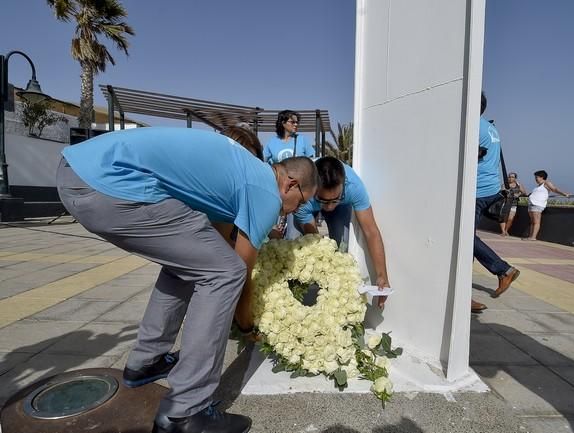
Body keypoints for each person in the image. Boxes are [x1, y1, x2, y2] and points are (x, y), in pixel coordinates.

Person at [56, 126, 317, 433]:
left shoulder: (245, 171)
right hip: (108, 183)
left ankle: (146, 361)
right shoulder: (266, 191)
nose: (296, 210)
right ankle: (185, 412)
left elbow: (215, 244)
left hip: (80, 172)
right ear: (291, 183)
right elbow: (241, 270)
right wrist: (247, 324)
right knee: (225, 273)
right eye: (301, 202)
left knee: (195, 262)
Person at [294, 156, 390, 309]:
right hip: (308, 205)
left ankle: (333, 301)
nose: (330, 207)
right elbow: (314, 240)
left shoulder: (354, 187)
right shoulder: (303, 193)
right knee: (304, 248)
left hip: (342, 205)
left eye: (334, 200)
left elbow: (371, 231)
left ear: (344, 186)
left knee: (340, 248)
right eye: (324, 201)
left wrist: (381, 274)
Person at [472, 92, 521, 314]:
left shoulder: (474, 127)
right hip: (490, 188)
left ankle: (502, 269)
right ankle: (464, 292)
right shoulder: (490, 127)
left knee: (464, 240)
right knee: (466, 241)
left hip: (477, 191)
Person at [264, 110, 316, 239]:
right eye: (292, 121)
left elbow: (312, 162)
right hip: (278, 191)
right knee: (273, 233)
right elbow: (264, 162)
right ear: (283, 123)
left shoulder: (302, 140)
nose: (296, 124)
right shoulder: (272, 143)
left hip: (296, 190)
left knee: (293, 234)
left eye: (297, 122)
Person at [525, 170, 570, 240]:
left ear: (542, 177)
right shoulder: (537, 186)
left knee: (536, 222)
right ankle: (530, 236)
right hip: (531, 204)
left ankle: (533, 237)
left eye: (537, 177)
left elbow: (554, 189)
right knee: (532, 222)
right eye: (535, 177)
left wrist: (564, 194)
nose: (535, 179)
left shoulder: (546, 183)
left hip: (537, 205)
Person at [499, 172, 527, 236]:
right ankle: (503, 231)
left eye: (512, 177)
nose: (510, 178)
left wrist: (519, 194)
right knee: (503, 217)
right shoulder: (505, 185)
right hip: (505, 203)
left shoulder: (519, 185)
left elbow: (524, 193)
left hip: (514, 204)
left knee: (510, 218)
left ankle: (506, 230)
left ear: (515, 178)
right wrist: (505, 192)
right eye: (509, 177)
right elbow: (500, 192)